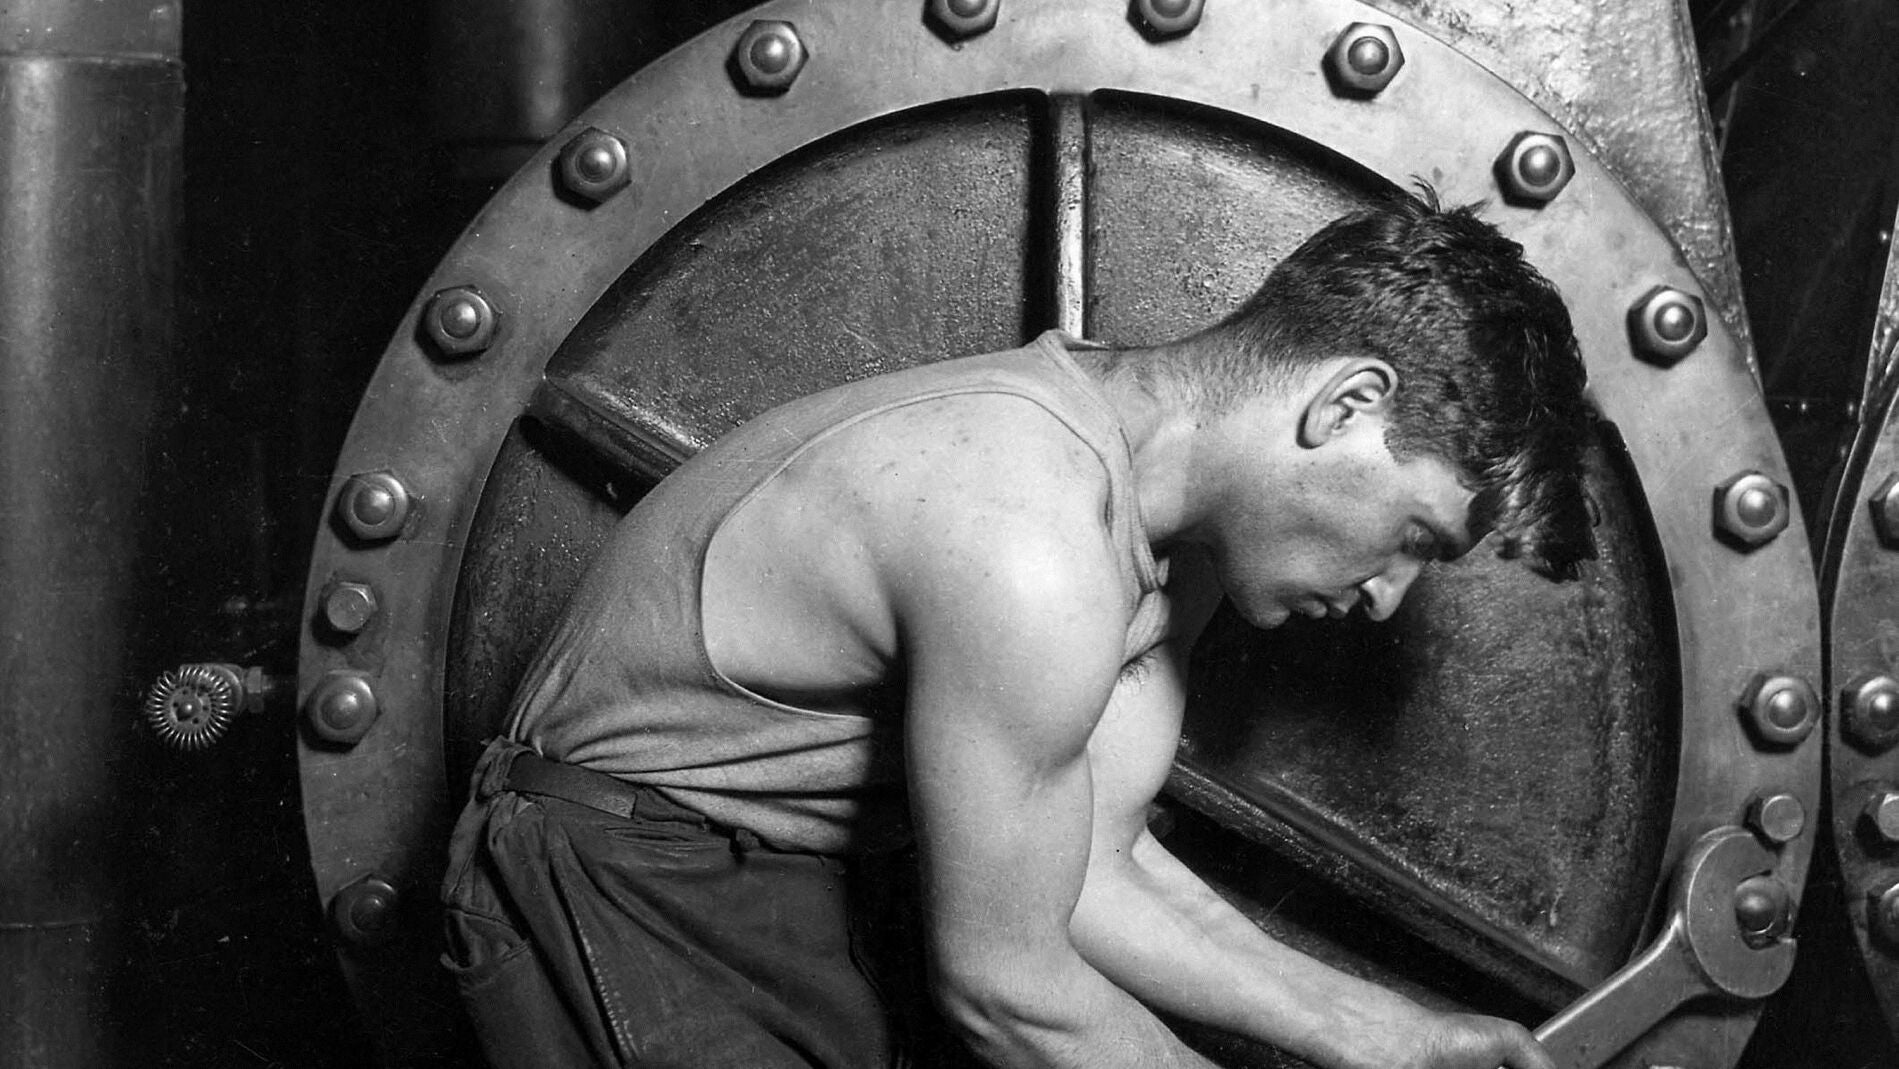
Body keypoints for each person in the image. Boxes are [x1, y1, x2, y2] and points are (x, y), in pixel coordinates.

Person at [440, 188, 1595, 1069]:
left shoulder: (1161, 538)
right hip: (612, 871)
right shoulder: (1028, 534)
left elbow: (1087, 866)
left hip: (773, 883)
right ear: (1345, 403)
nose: (1387, 595)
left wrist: (1381, 1030)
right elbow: (1006, 986)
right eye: (1413, 536)